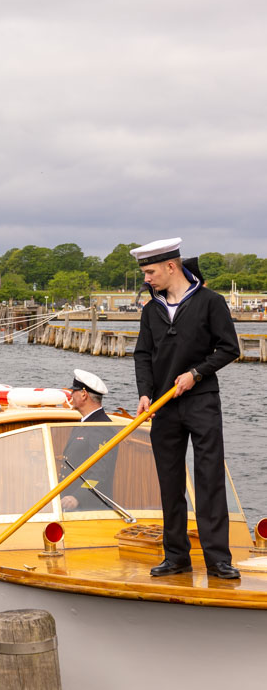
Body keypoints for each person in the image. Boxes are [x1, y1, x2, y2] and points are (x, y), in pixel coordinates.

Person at [131, 238, 241, 580]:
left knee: (209, 479)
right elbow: (143, 355)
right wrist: (145, 393)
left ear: (170, 266)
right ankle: (176, 556)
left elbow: (229, 348)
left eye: (150, 272)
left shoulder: (211, 302)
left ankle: (218, 559)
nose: (147, 279)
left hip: (202, 401)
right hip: (163, 407)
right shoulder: (151, 310)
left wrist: (196, 374)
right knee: (170, 483)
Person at [57, 369, 118, 511]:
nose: (71, 395)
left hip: (89, 508)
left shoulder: (102, 427)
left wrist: (77, 497)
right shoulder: (85, 422)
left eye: (74, 391)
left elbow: (99, 474)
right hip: (70, 504)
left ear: (84, 394)